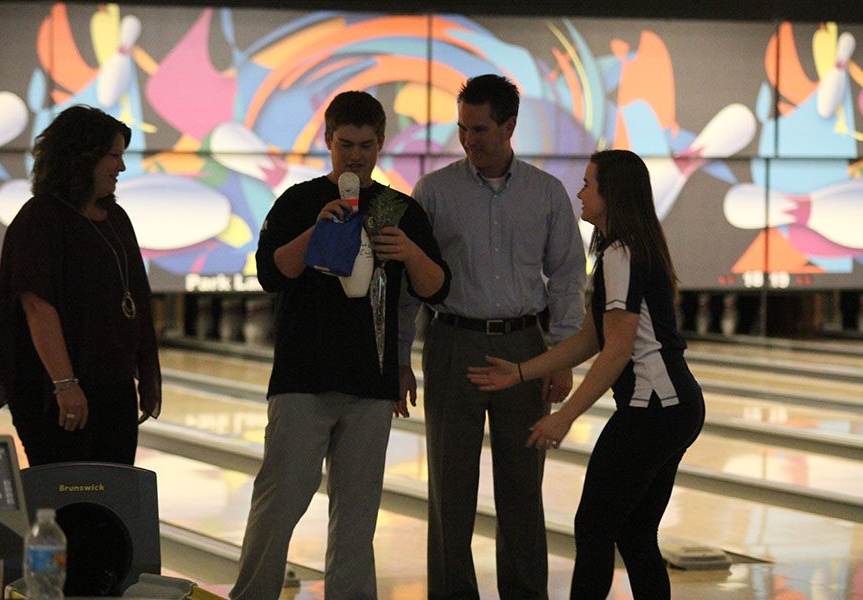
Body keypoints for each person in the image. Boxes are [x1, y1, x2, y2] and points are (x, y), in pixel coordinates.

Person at [230, 90, 450, 600]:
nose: (355, 155)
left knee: (356, 518)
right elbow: (271, 274)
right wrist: (315, 231)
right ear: (328, 141)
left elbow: (437, 286)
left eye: (366, 145)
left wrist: (411, 250)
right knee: (278, 503)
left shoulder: (400, 209)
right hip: (302, 379)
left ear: (380, 145)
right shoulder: (299, 200)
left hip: (370, 385)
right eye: (345, 144)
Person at [468, 149, 706, 600]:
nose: (580, 192)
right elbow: (590, 339)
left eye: (588, 184)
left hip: (652, 410)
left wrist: (565, 416)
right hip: (677, 407)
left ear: (611, 194)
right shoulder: (631, 248)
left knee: (593, 529)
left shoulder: (621, 253)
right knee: (634, 534)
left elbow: (616, 352)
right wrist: (520, 372)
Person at [403, 74, 586, 599]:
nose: (468, 140)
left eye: (480, 129)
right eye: (462, 128)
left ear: (509, 126)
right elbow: (411, 288)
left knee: (523, 490)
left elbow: (569, 277)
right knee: (449, 493)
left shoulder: (547, 193)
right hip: (452, 342)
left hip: (525, 346)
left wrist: (561, 354)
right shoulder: (433, 191)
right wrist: (399, 358)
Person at [0, 105, 161, 466]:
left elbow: (136, 297)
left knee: (113, 504)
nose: (122, 167)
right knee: (69, 505)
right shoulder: (40, 219)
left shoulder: (115, 217)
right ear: (82, 158)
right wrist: (66, 385)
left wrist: (146, 374)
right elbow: (38, 307)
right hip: (52, 391)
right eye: (114, 156)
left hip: (113, 386)